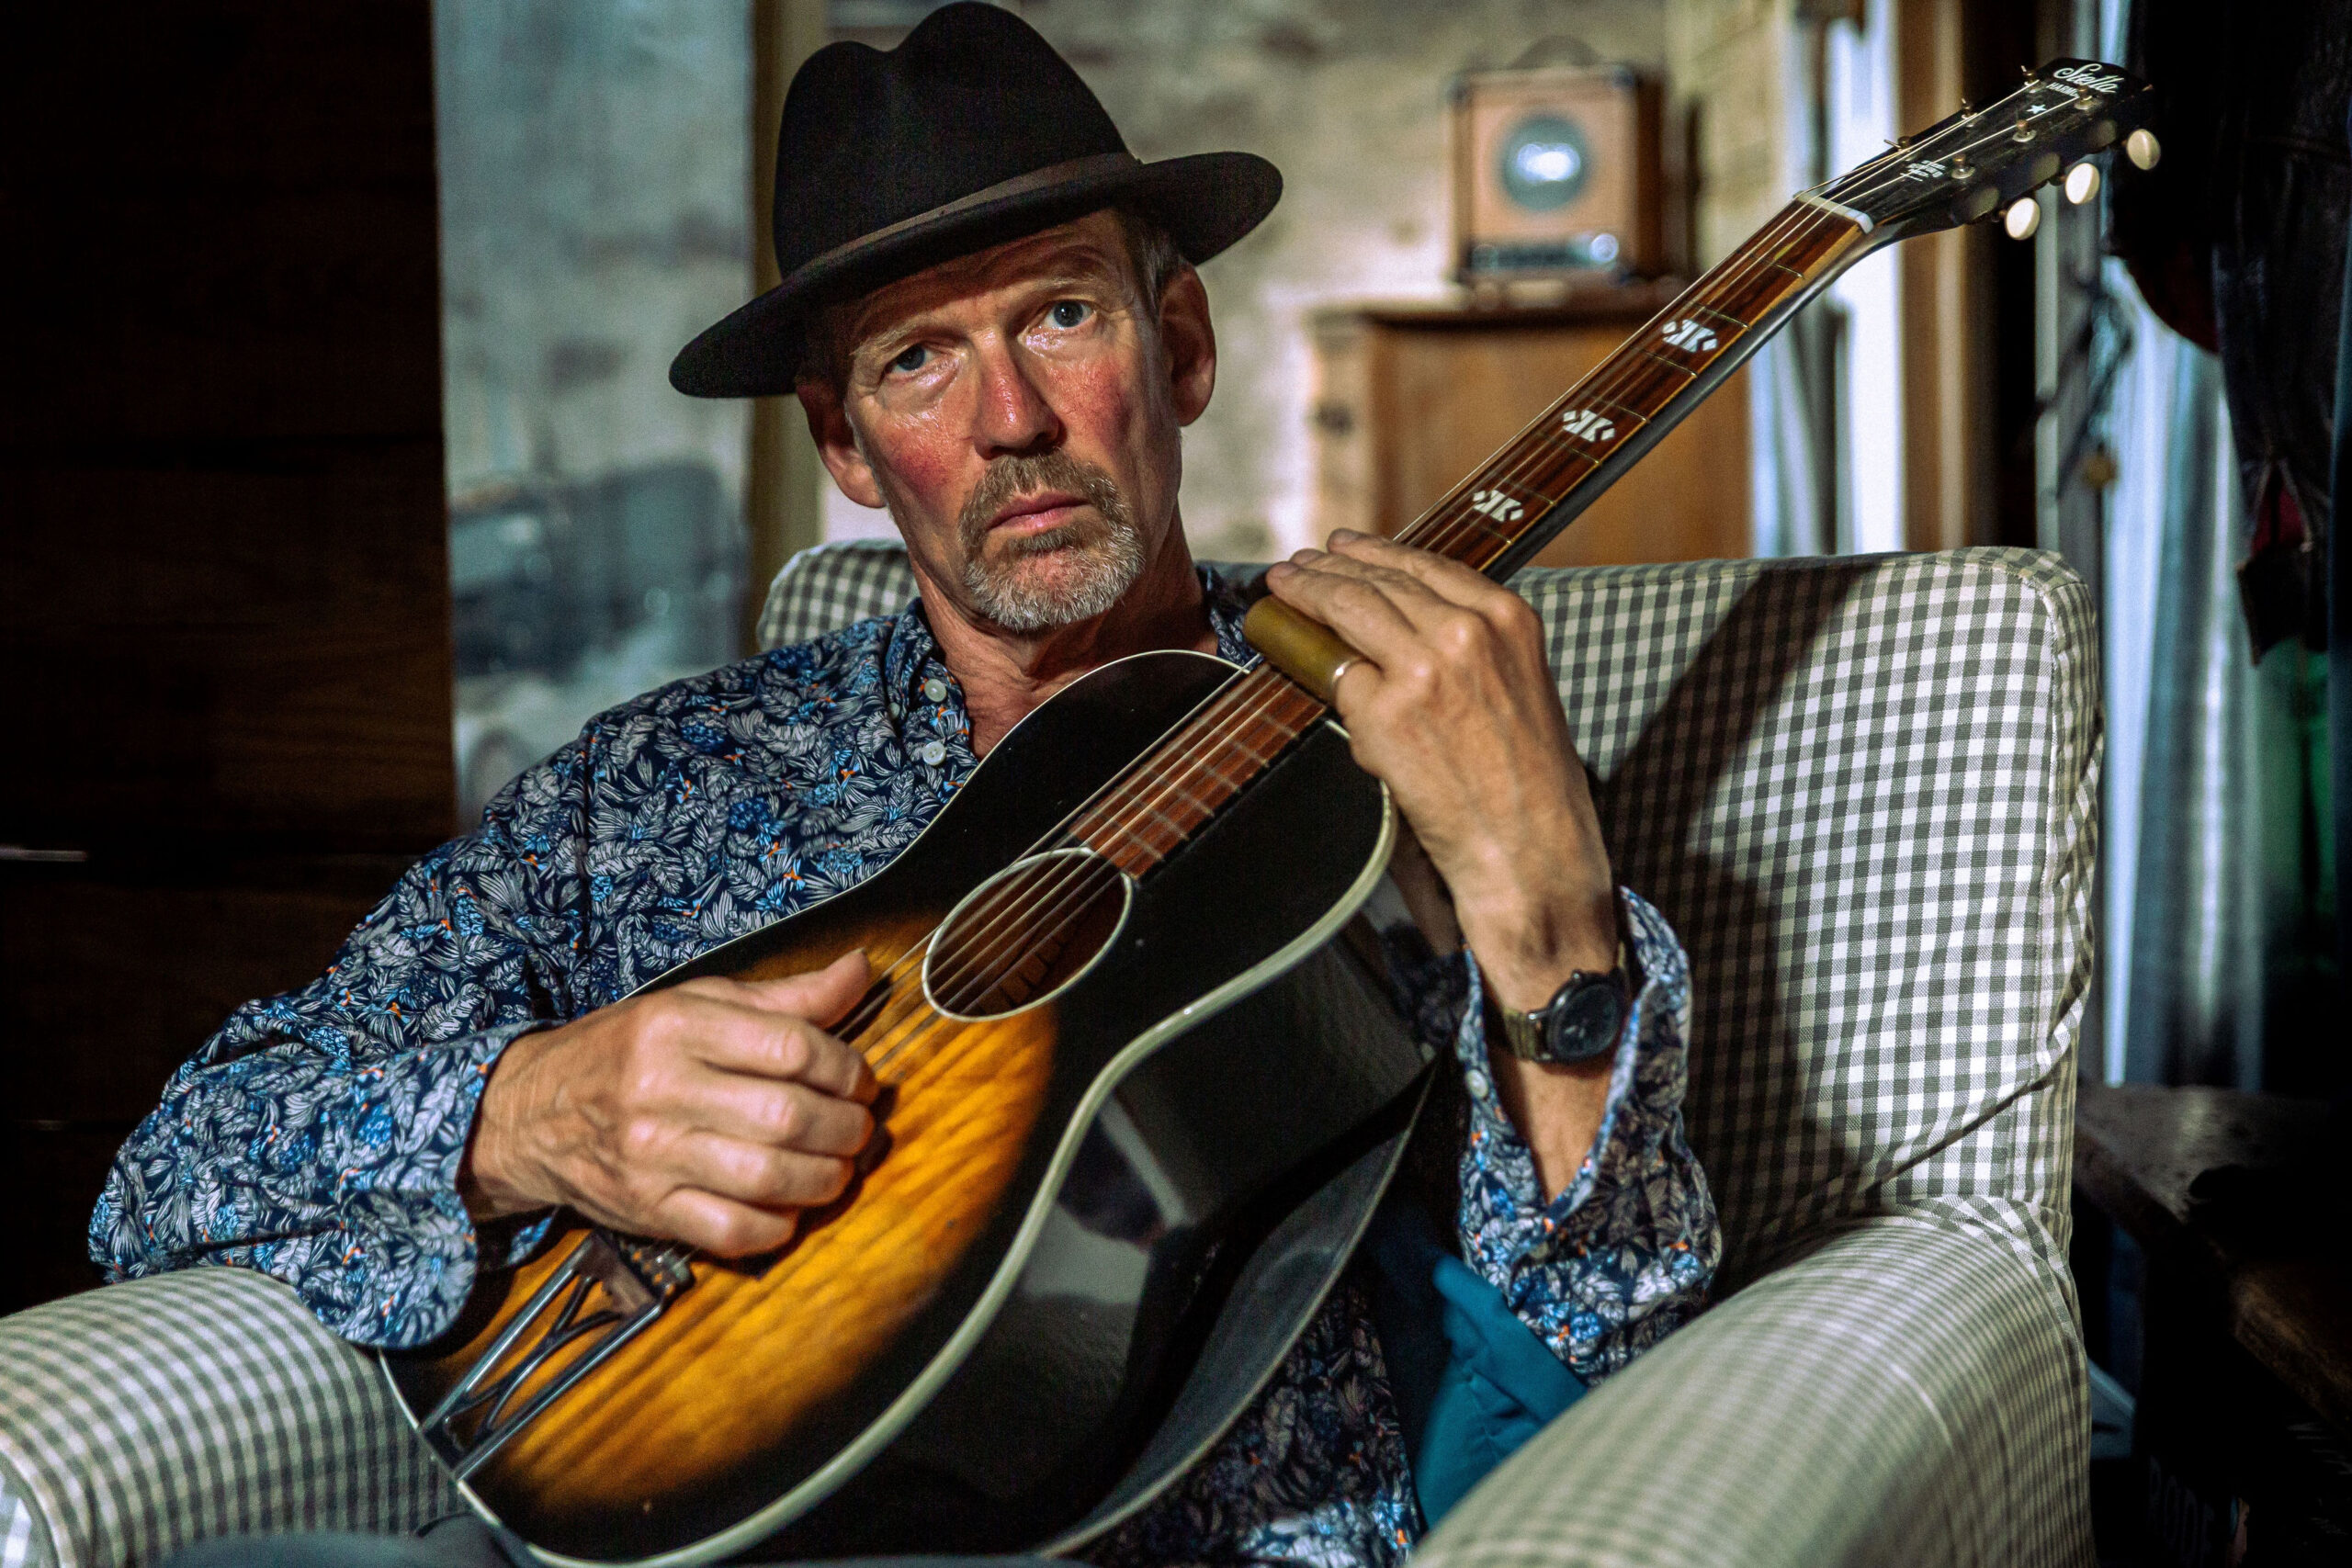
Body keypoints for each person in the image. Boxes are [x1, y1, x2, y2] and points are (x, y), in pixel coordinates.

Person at [96, 8, 1716, 1565]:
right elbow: (173, 1167)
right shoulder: (661, 787)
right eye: (920, 360)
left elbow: (1621, 1354)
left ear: (1183, 345)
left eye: (1062, 316)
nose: (1012, 419)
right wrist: (531, 1115)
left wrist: (1544, 897)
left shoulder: (1388, 749)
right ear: (849, 446)